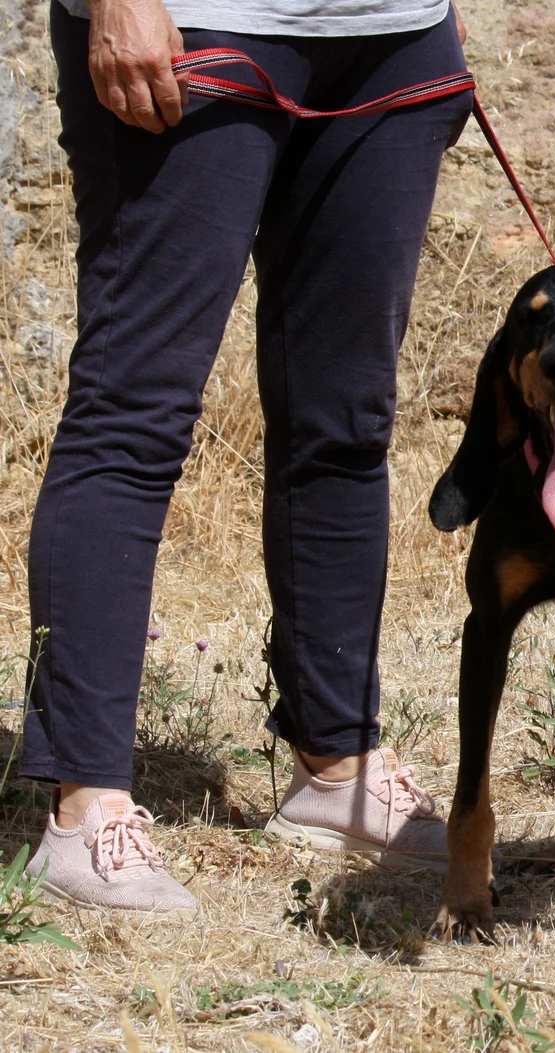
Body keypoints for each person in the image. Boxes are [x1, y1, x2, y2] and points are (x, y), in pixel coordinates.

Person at [21, 0, 472, 915]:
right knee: (133, 414)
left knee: (347, 420)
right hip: (197, 24)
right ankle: (85, 812)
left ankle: (337, 767)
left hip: (390, 36)